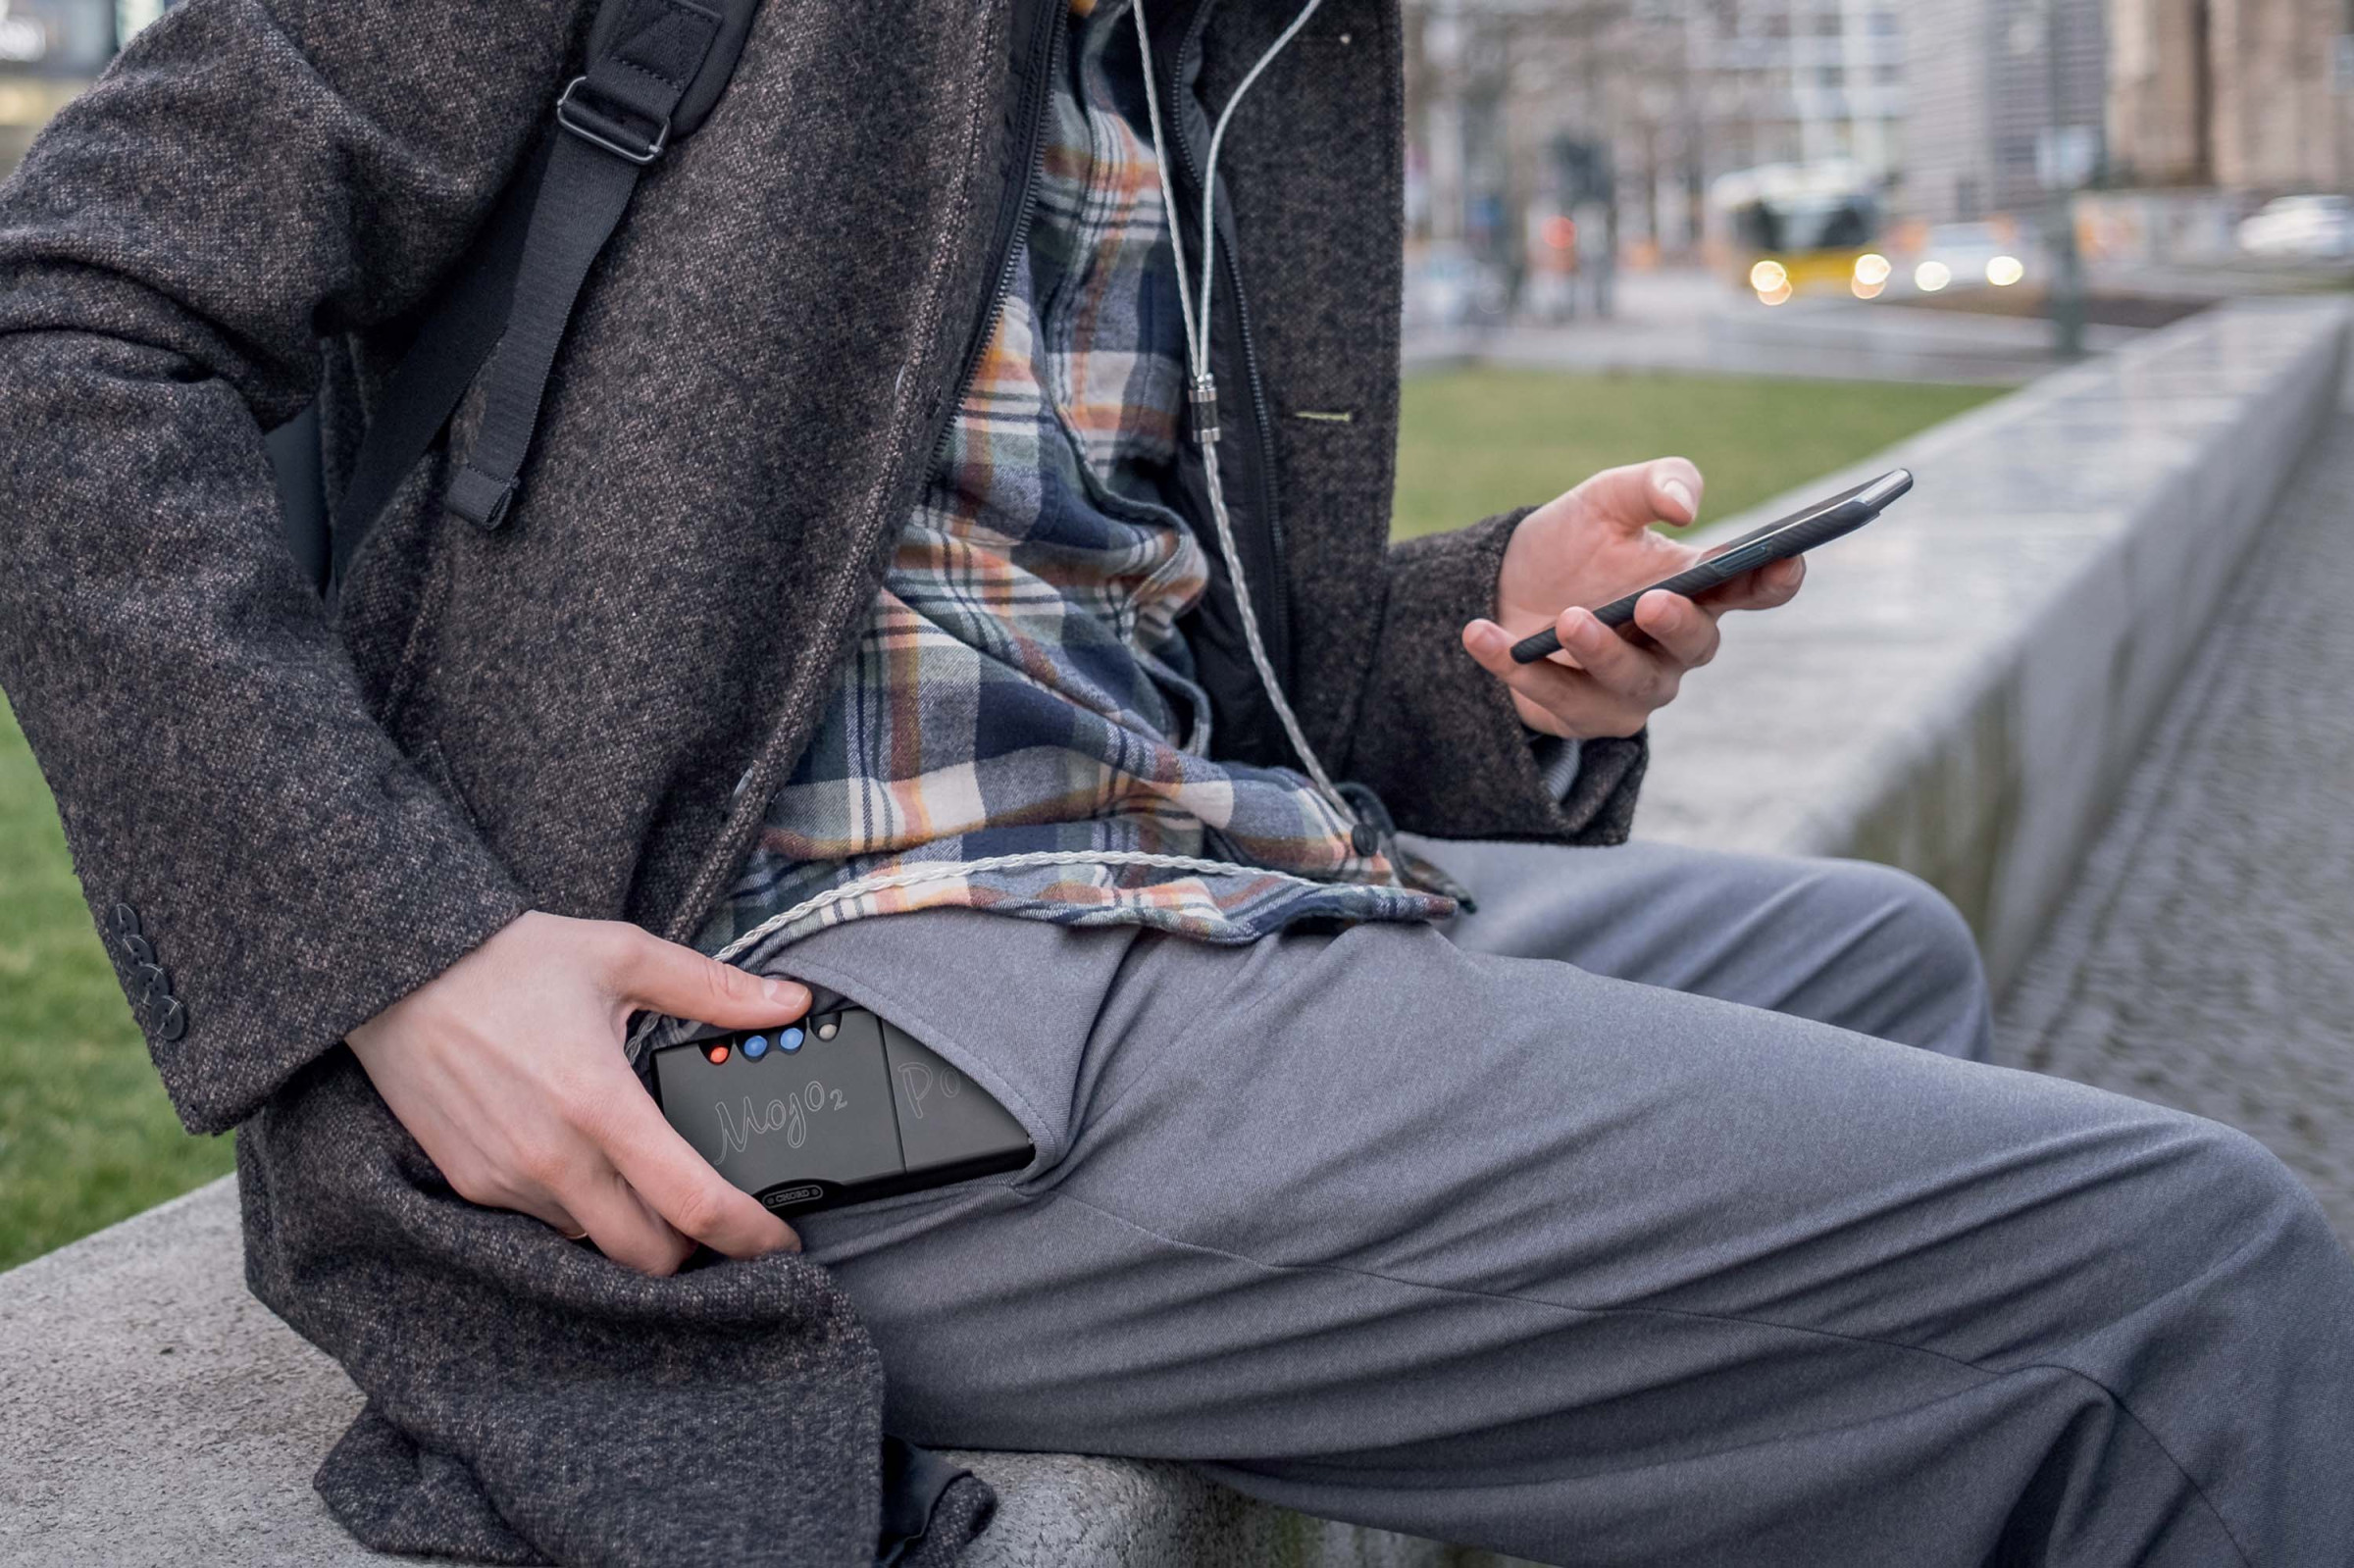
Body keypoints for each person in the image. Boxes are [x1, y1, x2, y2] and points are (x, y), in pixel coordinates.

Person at [1, 0, 2348, 1562]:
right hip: (777, 984)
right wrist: (398, 953)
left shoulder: (1252, 41)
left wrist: (1503, 635)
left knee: (1877, 945)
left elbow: (1124, 614)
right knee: (2193, 1275)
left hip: (1127, 860)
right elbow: (59, 329)